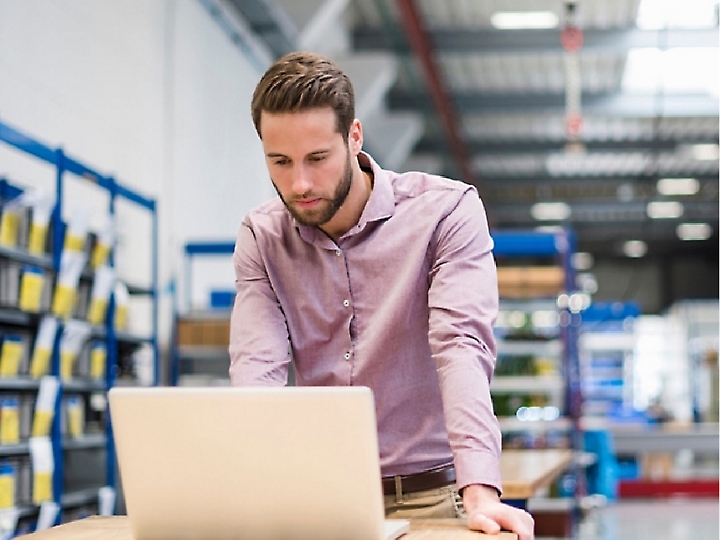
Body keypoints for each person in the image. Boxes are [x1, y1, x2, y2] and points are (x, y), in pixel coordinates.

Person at [229, 50, 534, 540]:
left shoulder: (446, 212)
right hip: (321, 498)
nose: (299, 183)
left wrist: (480, 488)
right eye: (280, 162)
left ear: (354, 137)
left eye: (318, 158)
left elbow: (461, 345)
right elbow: (256, 367)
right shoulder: (263, 237)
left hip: (437, 497)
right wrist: (253, 483)